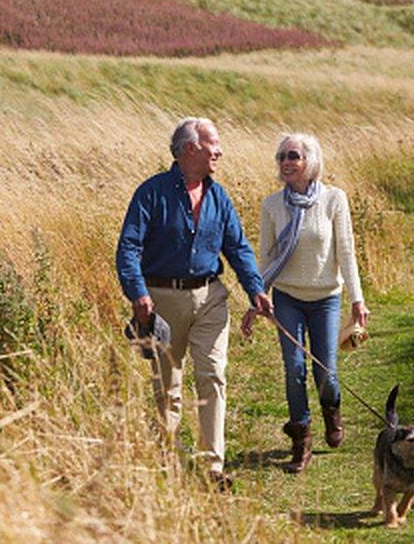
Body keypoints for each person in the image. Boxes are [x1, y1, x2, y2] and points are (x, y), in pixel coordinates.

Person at [116, 117, 273, 487]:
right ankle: (164, 462)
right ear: (191, 148)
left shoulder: (219, 197)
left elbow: (237, 247)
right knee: (167, 385)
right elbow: (129, 248)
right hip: (160, 301)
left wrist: (255, 289)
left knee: (212, 376)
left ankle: (212, 467)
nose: (219, 151)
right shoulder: (151, 193)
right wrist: (137, 293)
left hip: (211, 297)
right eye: (212, 144)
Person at [241, 133, 370, 474]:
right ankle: (302, 440)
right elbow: (265, 256)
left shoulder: (333, 199)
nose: (285, 162)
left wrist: (357, 299)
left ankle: (332, 411)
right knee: (294, 368)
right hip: (287, 298)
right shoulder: (271, 205)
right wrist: (257, 297)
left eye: (293, 156)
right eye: (281, 156)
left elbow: (346, 252)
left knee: (325, 370)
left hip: (326, 297)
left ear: (309, 161)